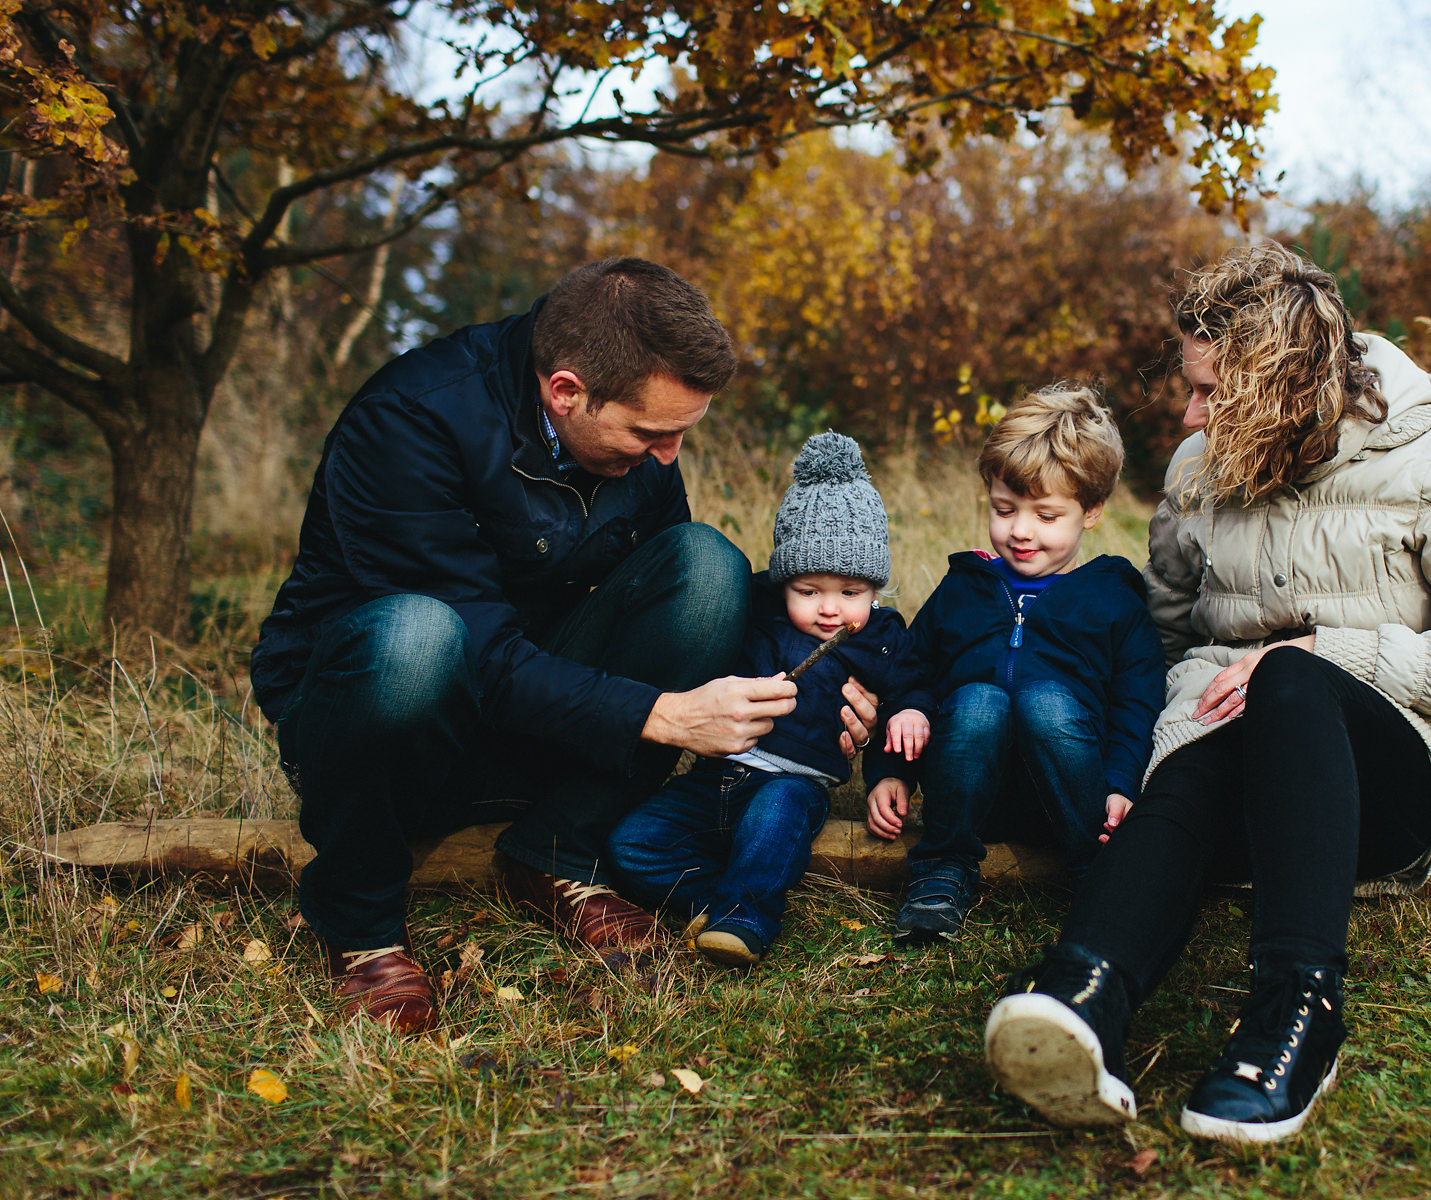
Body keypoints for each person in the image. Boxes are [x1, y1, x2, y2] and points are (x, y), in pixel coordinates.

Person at [983, 244, 1431, 1142]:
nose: (1190, 413)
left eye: (1210, 392)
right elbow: (1169, 644)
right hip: (1232, 768)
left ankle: (1298, 1013)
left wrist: (1323, 650)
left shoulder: (1428, 455)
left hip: (1393, 783)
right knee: (1208, 732)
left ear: (1281, 386)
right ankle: (1083, 995)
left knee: (1289, 677)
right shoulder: (1195, 470)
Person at [251, 258, 878, 1034]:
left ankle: (556, 851)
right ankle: (360, 920)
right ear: (566, 392)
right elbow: (476, 652)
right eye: (652, 432)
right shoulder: (408, 422)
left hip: (529, 716)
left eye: (683, 432)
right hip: (391, 719)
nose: (668, 456)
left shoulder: (640, 449)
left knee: (709, 568)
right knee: (418, 637)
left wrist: (827, 682)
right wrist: (663, 716)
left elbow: (670, 600)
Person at [610, 433, 932, 967]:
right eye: (809, 590)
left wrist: (896, 754)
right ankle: (715, 899)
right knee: (632, 844)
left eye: (850, 592)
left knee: (774, 818)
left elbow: (909, 688)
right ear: (783, 581)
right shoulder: (756, 608)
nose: (829, 608)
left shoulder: (881, 636)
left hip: (793, 783)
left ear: (875, 589)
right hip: (717, 774)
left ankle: (746, 921)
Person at [872, 385, 1165, 945]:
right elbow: (911, 673)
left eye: (1047, 515)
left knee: (1045, 699)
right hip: (972, 794)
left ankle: (1096, 874)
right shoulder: (966, 587)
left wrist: (1121, 784)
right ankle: (943, 868)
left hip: (1073, 798)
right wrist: (892, 770)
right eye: (1004, 510)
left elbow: (1137, 703)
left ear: (1092, 511)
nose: (1021, 531)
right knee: (979, 699)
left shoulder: (1112, 601)